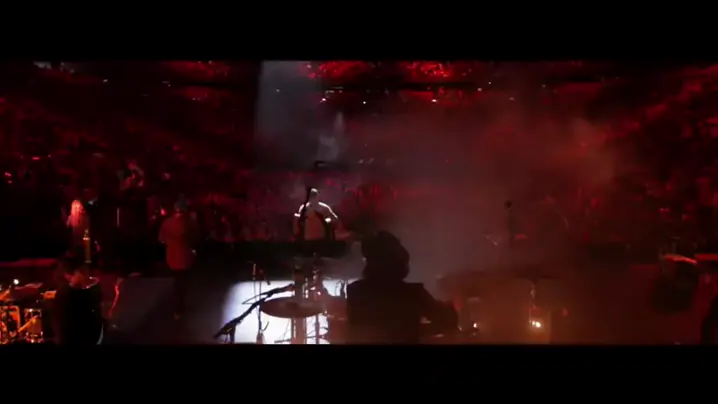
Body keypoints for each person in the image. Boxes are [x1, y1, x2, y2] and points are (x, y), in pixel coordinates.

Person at [346, 231, 456, 344]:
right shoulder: (413, 294)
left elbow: (357, 330)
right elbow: (447, 322)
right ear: (400, 261)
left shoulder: (355, 291)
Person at [159, 198, 197, 321]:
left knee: (176, 282)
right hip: (185, 258)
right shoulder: (187, 223)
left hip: (171, 257)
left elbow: (161, 239)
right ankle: (179, 307)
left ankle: (176, 308)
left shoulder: (166, 223)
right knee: (183, 283)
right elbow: (194, 238)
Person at [52, 256, 104, 345]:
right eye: (82, 272)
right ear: (68, 276)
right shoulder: (66, 295)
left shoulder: (84, 291)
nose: (87, 275)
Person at [293, 188, 340, 256]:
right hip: (317, 237)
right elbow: (335, 219)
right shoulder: (322, 208)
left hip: (311, 237)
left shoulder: (305, 208)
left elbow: (334, 218)